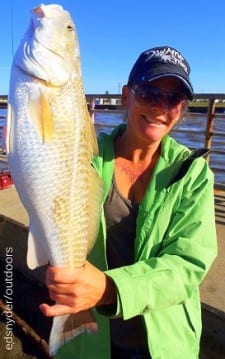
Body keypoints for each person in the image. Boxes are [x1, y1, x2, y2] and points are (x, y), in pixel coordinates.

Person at [40, 46, 217, 359]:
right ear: (126, 96)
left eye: (174, 99)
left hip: (164, 343)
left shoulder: (193, 173)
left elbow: (187, 265)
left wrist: (110, 289)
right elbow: (46, 199)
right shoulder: (84, 159)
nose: (161, 107)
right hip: (92, 339)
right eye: (150, 93)